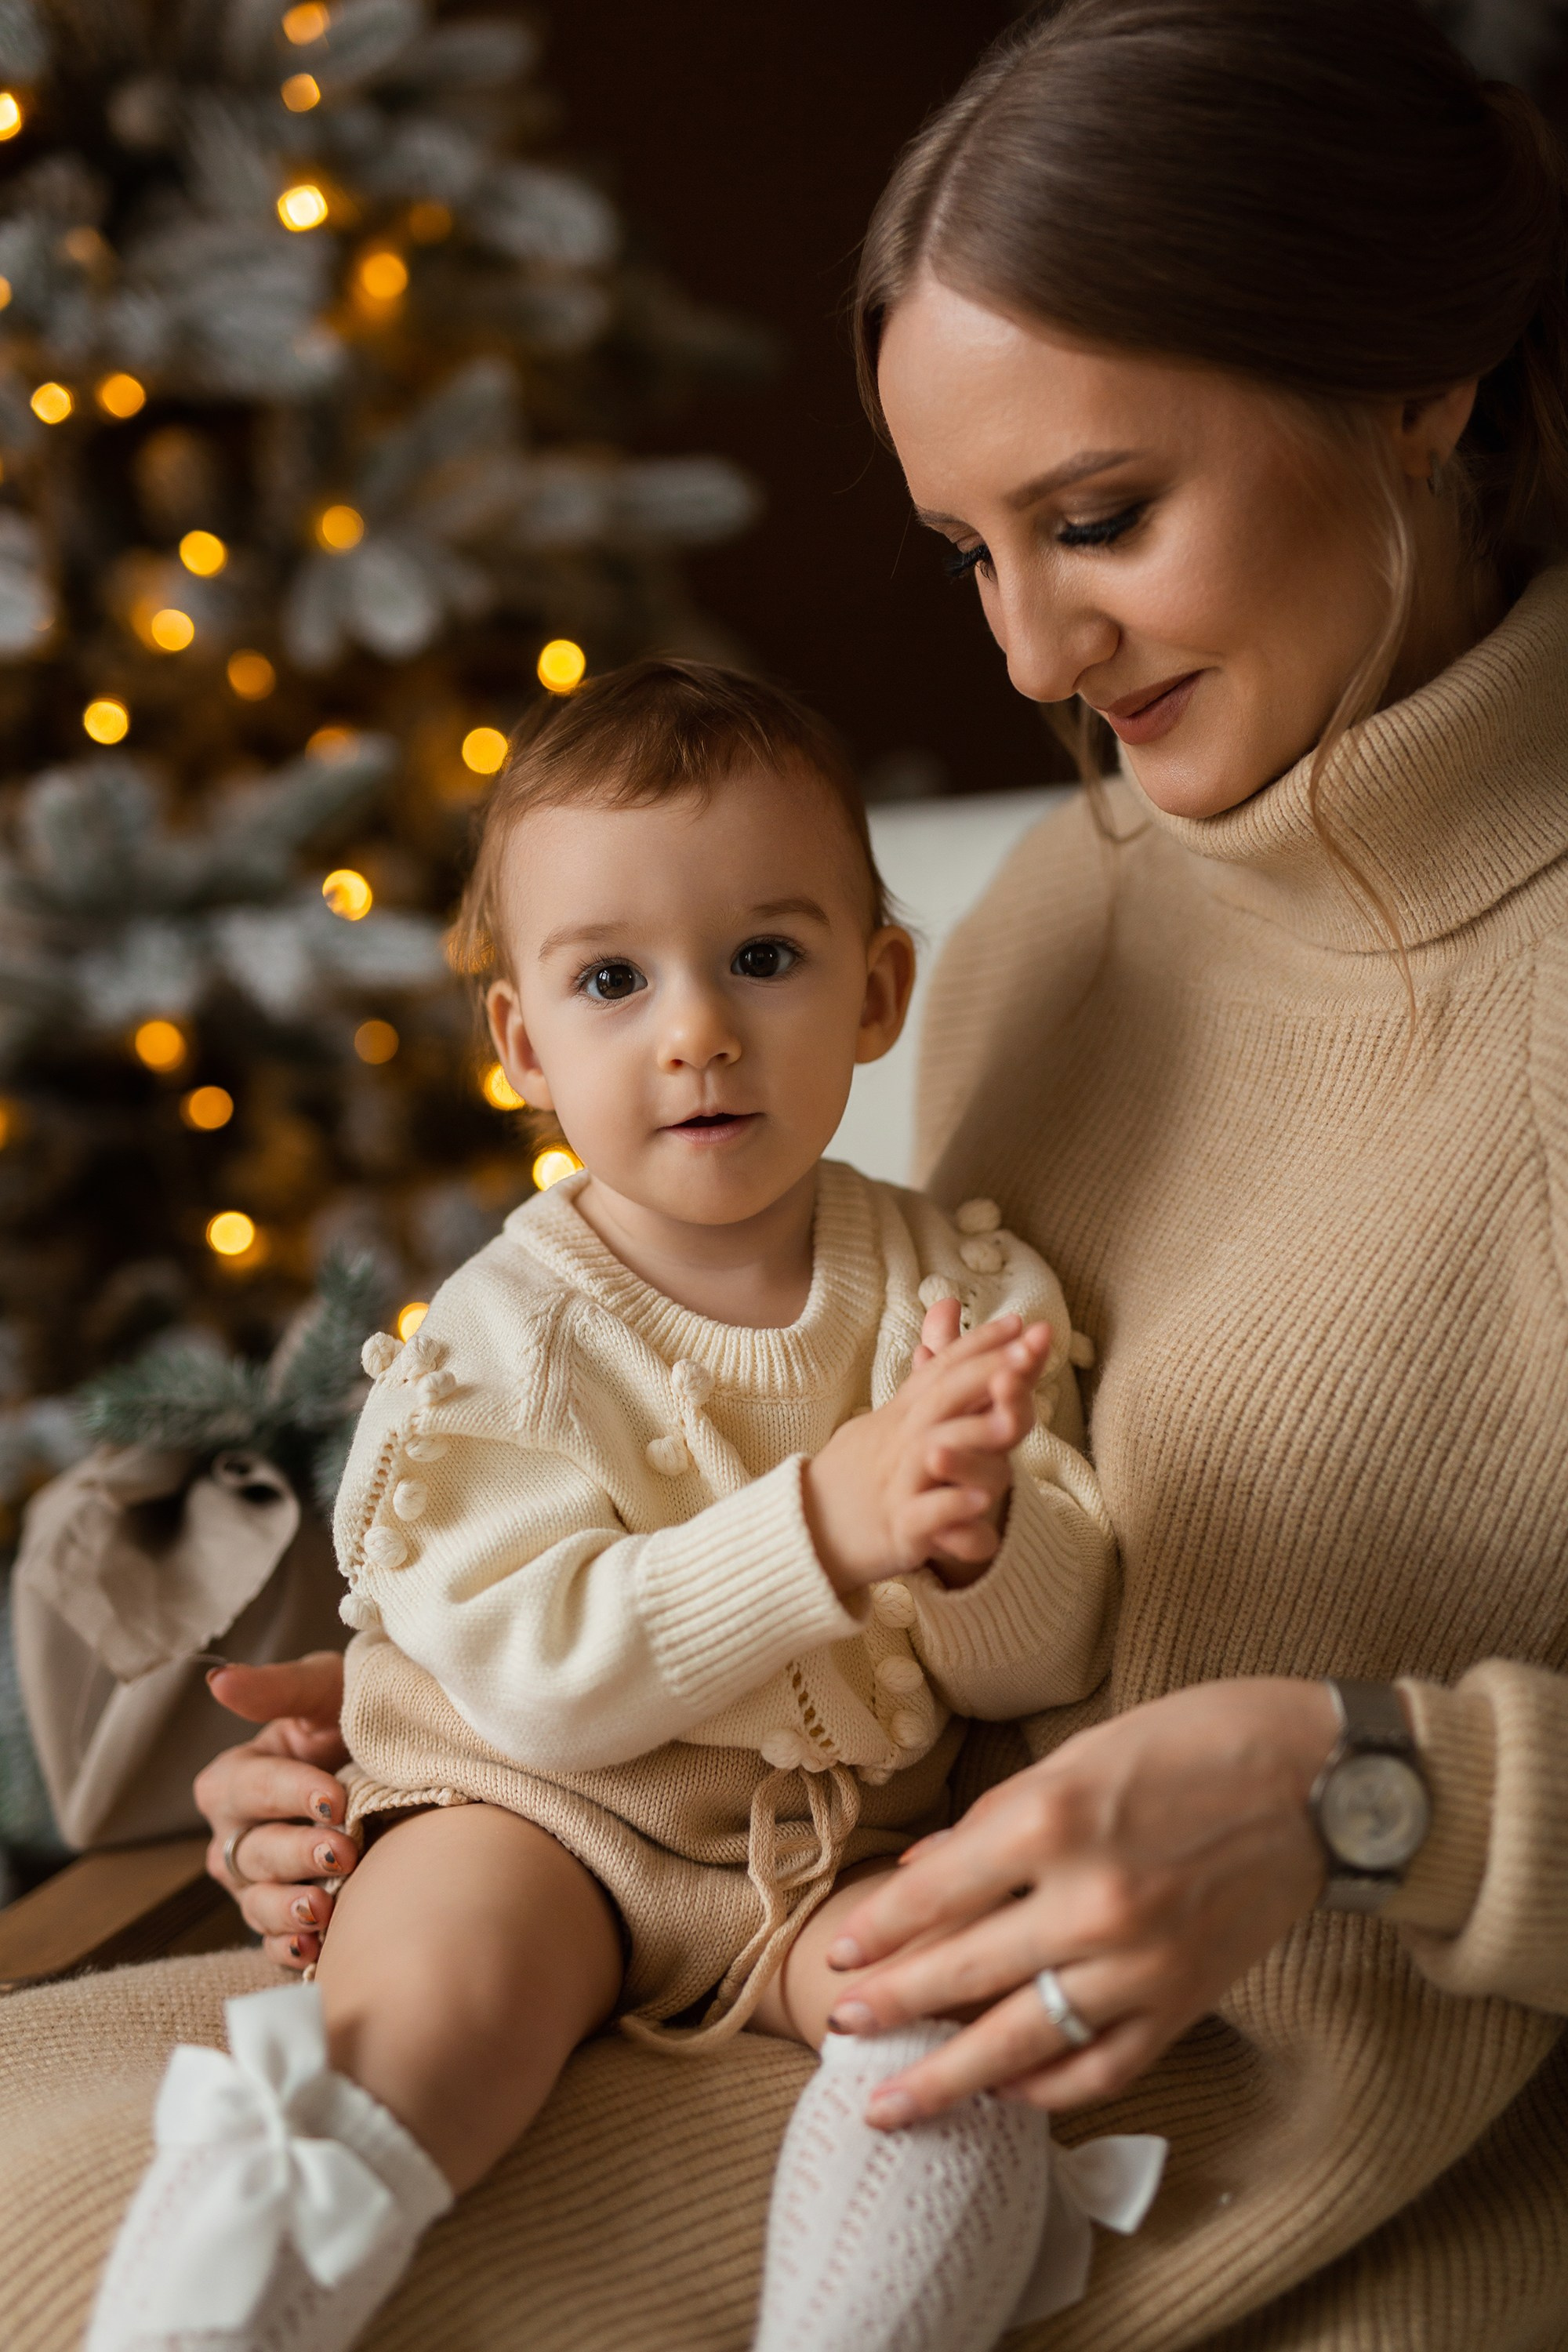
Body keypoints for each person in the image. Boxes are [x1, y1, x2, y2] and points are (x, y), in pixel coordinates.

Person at [89, 0, 1568, 2341]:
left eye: (1099, 521)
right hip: (781, 2002)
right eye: (970, 551)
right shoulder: (1069, 919)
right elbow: (917, 1562)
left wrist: (1374, 1795)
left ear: (1420, 384)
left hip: (1256, 2196)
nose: (1033, 652)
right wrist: (453, 1775)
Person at [85, 659, 1137, 2352]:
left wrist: (978, 1539)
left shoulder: (962, 1288)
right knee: (429, 2013)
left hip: (821, 1852)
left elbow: (1034, 1669)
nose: (697, 1030)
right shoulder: (506, 1333)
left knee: (961, 2010)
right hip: (530, 1809)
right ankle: (214, 2321)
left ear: (877, 993)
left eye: (765, 960)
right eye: (611, 979)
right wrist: (828, 1524)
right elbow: (546, 1673)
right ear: (522, 1042)